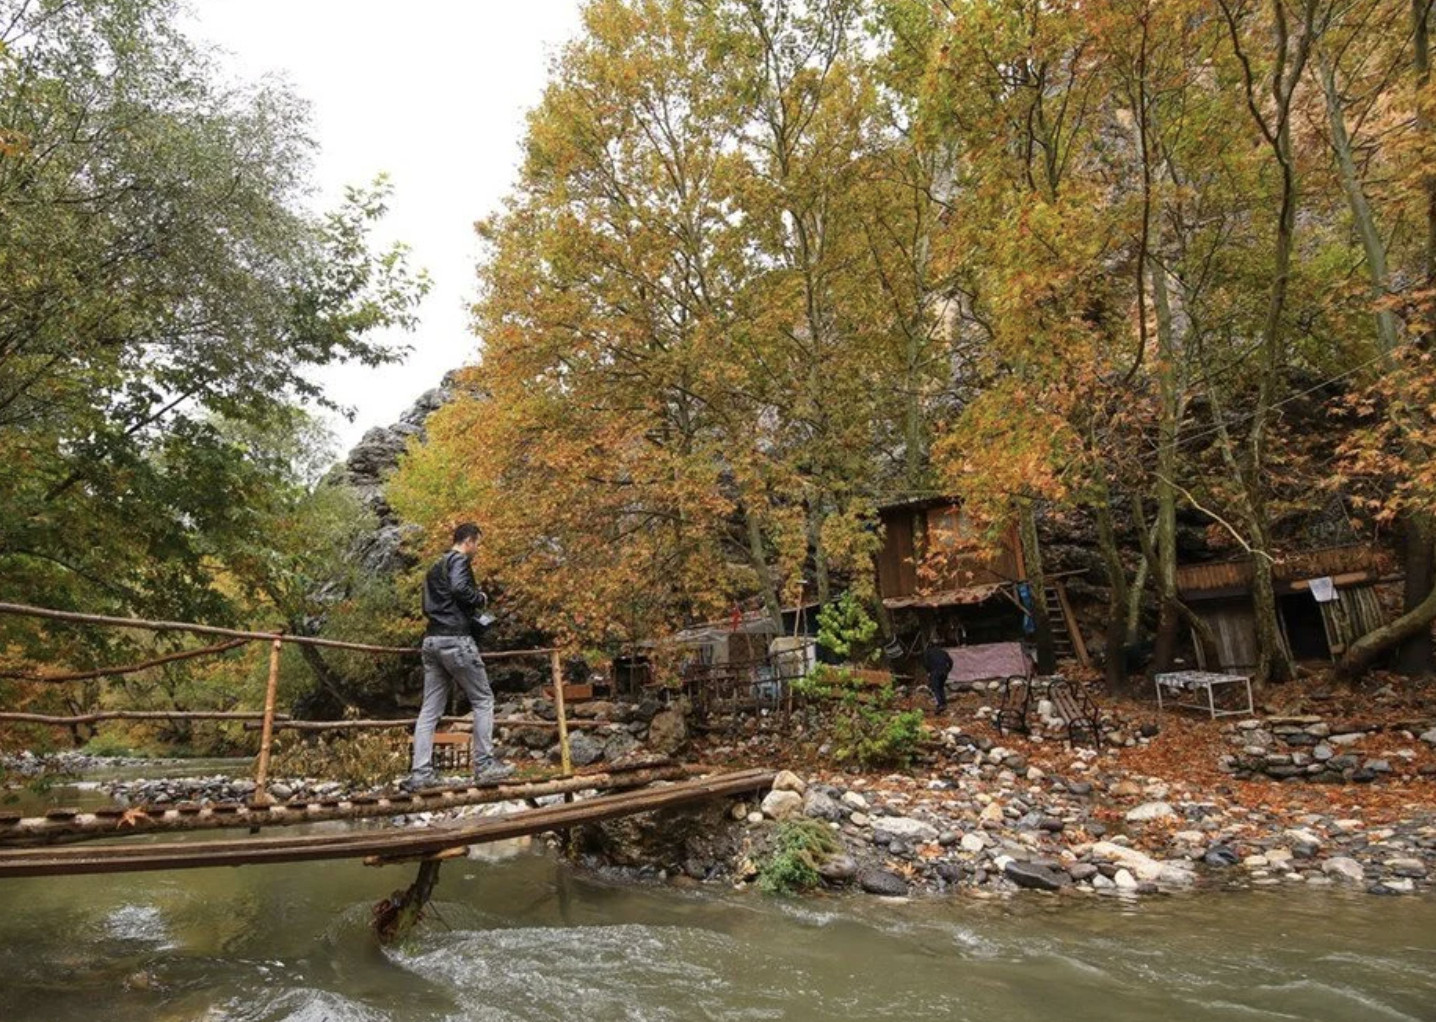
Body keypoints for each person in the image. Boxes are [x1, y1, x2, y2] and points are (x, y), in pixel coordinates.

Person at [403, 522, 513, 789]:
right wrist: (479, 598)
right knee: (483, 699)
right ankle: (485, 765)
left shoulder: (433, 567)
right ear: (470, 541)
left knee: (429, 710)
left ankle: (421, 773)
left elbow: (428, 604)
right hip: (456, 640)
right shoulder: (459, 561)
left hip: (431, 641)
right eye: (477, 544)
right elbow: (459, 589)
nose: (477, 549)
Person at [923, 637, 954, 715]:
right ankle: (944, 703)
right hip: (944, 672)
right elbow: (951, 662)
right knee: (941, 687)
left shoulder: (928, 652)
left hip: (935, 672)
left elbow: (925, 664)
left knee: (936, 688)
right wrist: (948, 670)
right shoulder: (943, 652)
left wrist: (929, 672)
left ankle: (940, 704)